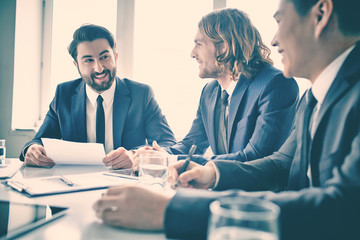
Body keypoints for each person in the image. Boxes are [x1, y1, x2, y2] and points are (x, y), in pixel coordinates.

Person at [93, 1, 360, 240]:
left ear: (321, 14)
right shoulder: (312, 97)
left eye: (279, 21)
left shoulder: (280, 84)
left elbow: (342, 207)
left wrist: (171, 211)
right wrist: (210, 173)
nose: (275, 39)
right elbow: (281, 165)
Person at [135, 8, 299, 166]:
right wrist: (154, 155)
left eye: (199, 44)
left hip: (261, 193)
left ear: (224, 46)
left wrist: (170, 161)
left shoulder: (276, 84)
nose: (192, 53)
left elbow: (256, 158)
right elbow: (191, 145)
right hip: (222, 189)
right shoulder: (210, 92)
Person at [20, 24, 176, 169]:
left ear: (115, 56)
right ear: (77, 65)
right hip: (74, 188)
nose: (99, 68)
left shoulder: (141, 95)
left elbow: (168, 144)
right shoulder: (64, 94)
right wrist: (33, 150)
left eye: (104, 57)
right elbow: (39, 141)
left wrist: (135, 155)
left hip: (125, 188)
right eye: (88, 60)